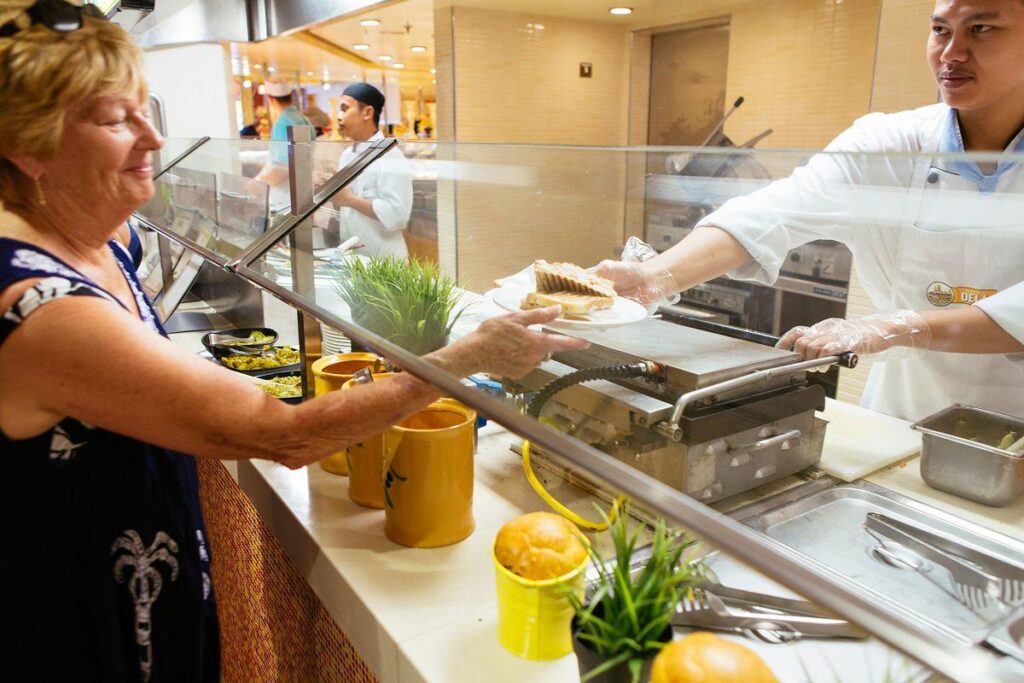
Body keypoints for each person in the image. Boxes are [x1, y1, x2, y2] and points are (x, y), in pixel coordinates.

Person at [0, 2, 586, 680]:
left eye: (143, 110)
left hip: (142, 578)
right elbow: (284, 435)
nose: (153, 140)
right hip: (79, 621)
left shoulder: (92, 238)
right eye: (113, 119)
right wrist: (469, 358)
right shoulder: (44, 311)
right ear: (29, 147)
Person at [597, 0, 1024, 422]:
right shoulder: (890, 142)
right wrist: (654, 277)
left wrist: (898, 326)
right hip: (903, 413)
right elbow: (772, 212)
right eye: (941, 30)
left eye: (981, 29)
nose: (952, 53)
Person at [332, 82, 413, 258]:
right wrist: (330, 191)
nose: (339, 116)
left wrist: (350, 200)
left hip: (385, 261)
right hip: (352, 257)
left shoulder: (390, 156)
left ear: (367, 112)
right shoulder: (346, 155)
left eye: (345, 109)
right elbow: (342, 210)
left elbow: (399, 215)